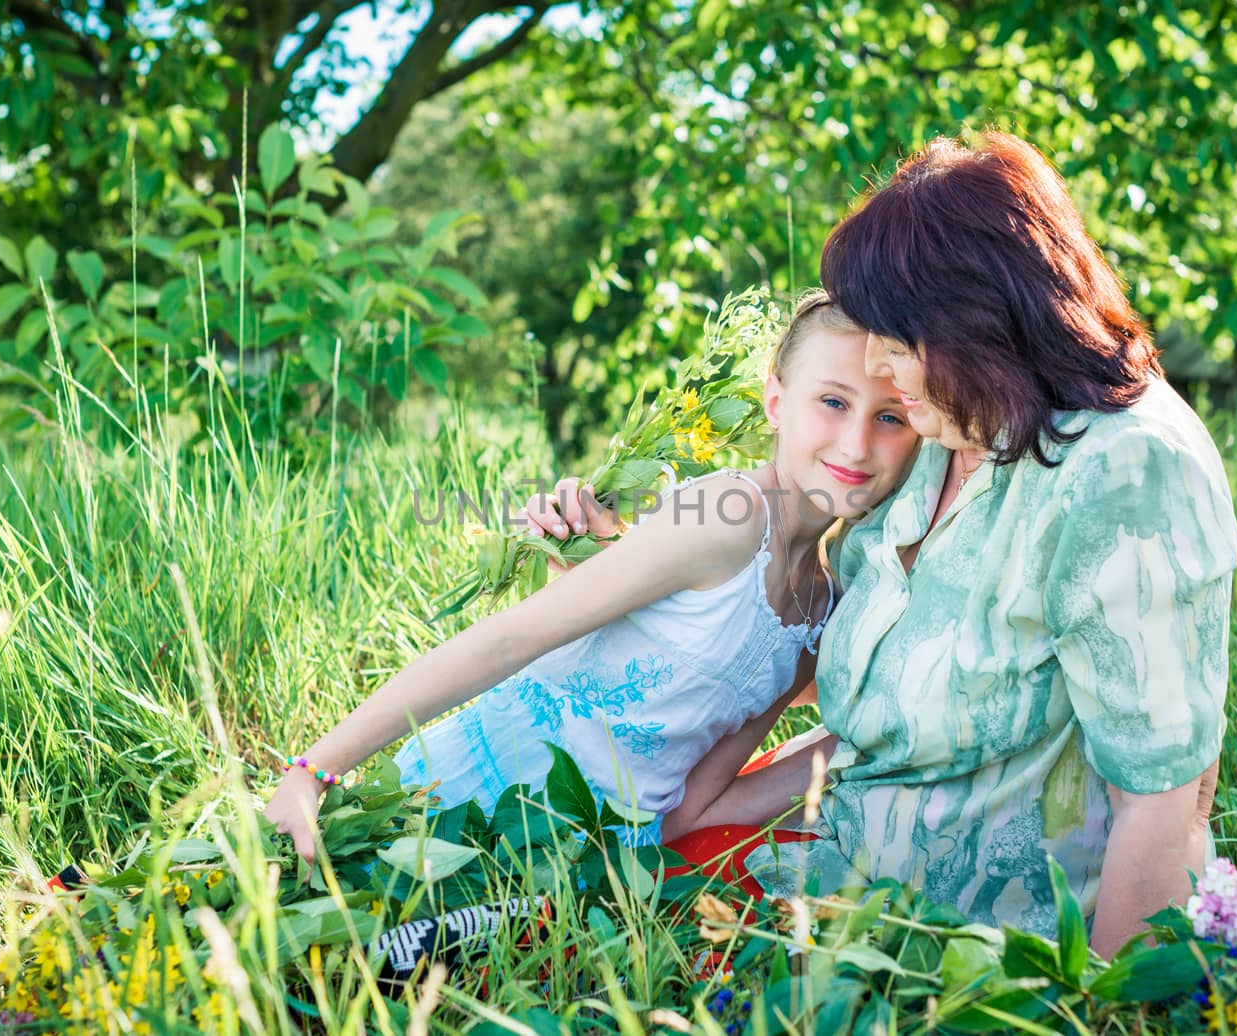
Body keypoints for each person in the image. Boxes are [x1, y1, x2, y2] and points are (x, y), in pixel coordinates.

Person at [528, 132, 1237, 956]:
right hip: (830, 851)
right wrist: (634, 576)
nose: (877, 365)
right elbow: (862, 658)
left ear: (975, 321)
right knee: (548, 896)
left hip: (969, 939)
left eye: (895, 340)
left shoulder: (1128, 470)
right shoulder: (954, 421)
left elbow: (1164, 795)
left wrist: (1103, 1009)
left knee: (575, 942)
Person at [264, 293, 920, 861]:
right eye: (832, 401)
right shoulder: (726, 518)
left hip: (576, 878)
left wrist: (861, 750)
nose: (857, 443)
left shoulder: (816, 619)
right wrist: (315, 770)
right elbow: (509, 640)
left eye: (890, 416)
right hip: (459, 797)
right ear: (777, 400)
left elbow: (692, 813)